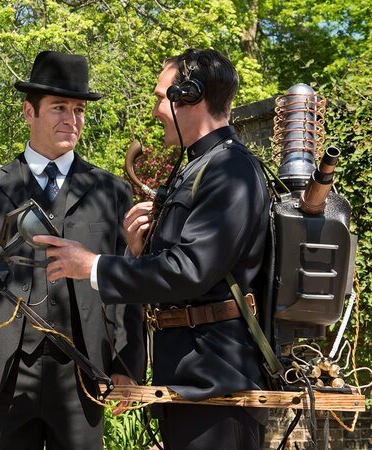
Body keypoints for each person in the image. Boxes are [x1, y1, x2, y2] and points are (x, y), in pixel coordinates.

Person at [35, 48, 269, 449]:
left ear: (189, 96)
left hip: (218, 383)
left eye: (162, 97)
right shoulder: (199, 166)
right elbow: (186, 273)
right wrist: (138, 250)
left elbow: (189, 270)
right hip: (191, 381)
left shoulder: (231, 169)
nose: (157, 108)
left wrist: (92, 265)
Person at [0, 50, 145, 449]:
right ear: (28, 112)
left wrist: (127, 365)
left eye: (78, 109)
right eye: (58, 108)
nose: (71, 119)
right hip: (6, 369)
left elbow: (127, 286)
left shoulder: (112, 193)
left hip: (83, 371)